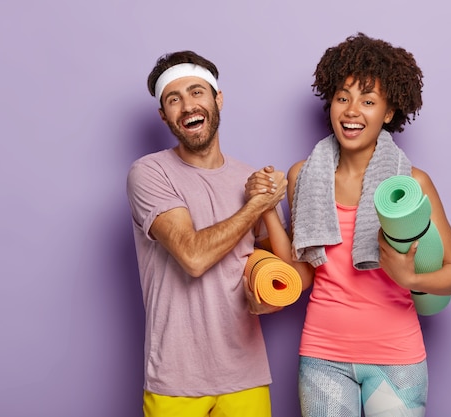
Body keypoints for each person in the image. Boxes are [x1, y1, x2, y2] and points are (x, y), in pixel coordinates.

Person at [247, 33, 451, 417]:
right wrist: (267, 207)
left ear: (387, 112)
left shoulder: (411, 184)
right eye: (343, 98)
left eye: (368, 101)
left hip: (397, 358)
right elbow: (302, 274)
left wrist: (408, 277)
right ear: (330, 103)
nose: (352, 111)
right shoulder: (304, 175)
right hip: (322, 355)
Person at [126, 50, 288, 417]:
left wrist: (271, 205)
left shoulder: (248, 178)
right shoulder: (149, 173)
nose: (187, 105)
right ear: (163, 115)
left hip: (245, 374)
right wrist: (255, 205)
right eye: (174, 99)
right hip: (176, 380)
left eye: (197, 92)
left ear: (217, 99)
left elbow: (279, 270)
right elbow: (193, 257)